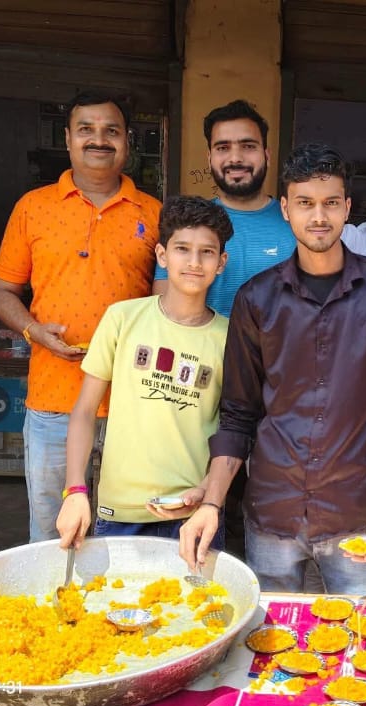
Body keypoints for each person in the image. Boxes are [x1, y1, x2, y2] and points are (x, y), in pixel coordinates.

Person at [177, 143, 366, 596]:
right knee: (272, 634)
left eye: (330, 203)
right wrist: (212, 503)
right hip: (273, 509)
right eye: (306, 203)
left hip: (358, 511)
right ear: (286, 209)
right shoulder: (256, 298)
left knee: (361, 633)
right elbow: (237, 414)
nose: (319, 216)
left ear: (347, 208)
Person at [0, 91, 164, 543]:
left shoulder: (154, 213)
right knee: (53, 535)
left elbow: (167, 305)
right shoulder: (33, 207)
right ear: (67, 139)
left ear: (127, 141)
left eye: (111, 131)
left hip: (131, 405)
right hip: (54, 402)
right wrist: (33, 330)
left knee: (123, 535)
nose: (98, 140)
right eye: (86, 129)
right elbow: (2, 291)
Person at [54, 196, 231, 547]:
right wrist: (75, 490)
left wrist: (208, 491)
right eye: (182, 249)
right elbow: (84, 411)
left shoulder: (231, 338)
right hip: (119, 512)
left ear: (221, 263)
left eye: (207, 252)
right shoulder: (122, 319)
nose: (194, 262)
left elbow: (233, 428)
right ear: (162, 256)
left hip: (193, 514)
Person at [155, 99, 295, 316]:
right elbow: (164, 316)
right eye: (223, 148)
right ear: (209, 158)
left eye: (248, 146)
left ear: (267, 155)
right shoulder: (186, 222)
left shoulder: (296, 224)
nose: (236, 158)